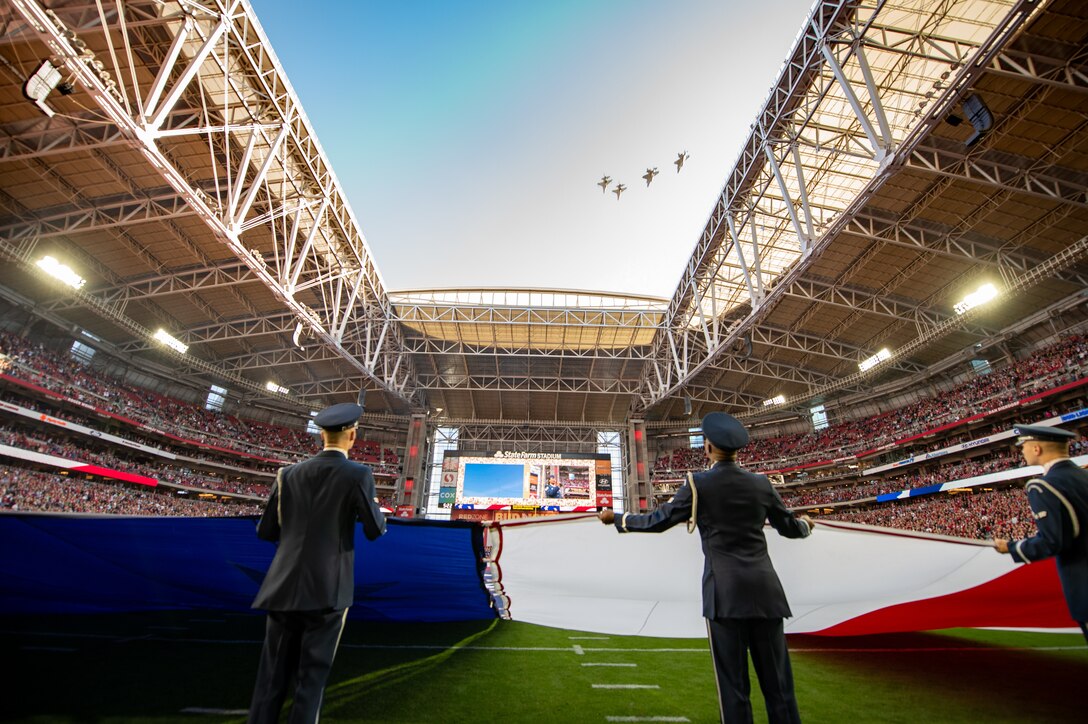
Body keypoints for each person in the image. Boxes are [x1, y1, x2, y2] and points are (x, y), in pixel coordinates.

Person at [599, 412, 813, 724]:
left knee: (734, 689)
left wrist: (618, 518)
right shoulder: (761, 484)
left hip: (724, 595)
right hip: (767, 594)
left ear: (708, 447)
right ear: (737, 450)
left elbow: (659, 522)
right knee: (779, 686)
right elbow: (789, 528)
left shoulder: (698, 484)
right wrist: (806, 525)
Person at [248, 402, 387, 724]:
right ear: (353, 436)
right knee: (310, 682)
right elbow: (374, 529)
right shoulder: (358, 473)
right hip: (327, 591)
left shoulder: (287, 474)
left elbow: (266, 530)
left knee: (269, 682)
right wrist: (375, 508)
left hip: (281, 588)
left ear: (321, 435)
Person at [993, 424, 1088, 644]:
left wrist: (1012, 547)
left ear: (1036, 448)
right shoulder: (1082, 477)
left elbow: (1054, 541)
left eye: (1023, 445)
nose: (1022, 451)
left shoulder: (1043, 486)